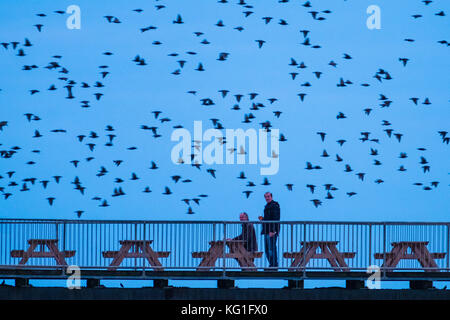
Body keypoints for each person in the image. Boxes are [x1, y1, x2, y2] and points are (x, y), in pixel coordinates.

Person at [259, 192, 280, 269]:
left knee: (271, 249)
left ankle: (274, 265)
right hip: (267, 231)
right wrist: (263, 220)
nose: (267, 198)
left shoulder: (275, 205)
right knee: (267, 250)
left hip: (271, 232)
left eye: (268, 196)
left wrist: (274, 231)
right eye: (265, 197)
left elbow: (276, 218)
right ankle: (272, 264)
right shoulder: (267, 206)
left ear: (271, 196)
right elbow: (269, 218)